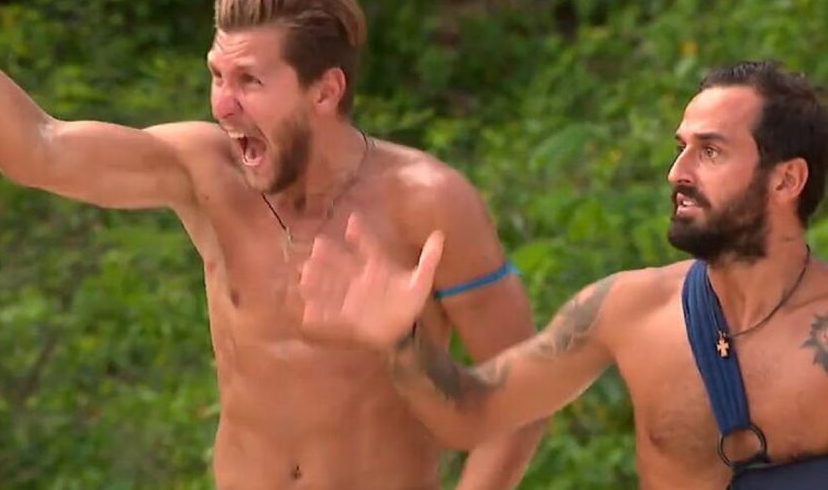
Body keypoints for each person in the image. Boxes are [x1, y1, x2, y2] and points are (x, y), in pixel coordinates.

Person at [0, 0, 547, 489]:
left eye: (249, 80)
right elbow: (38, 149)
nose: (223, 105)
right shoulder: (206, 173)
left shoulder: (427, 202)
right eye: (216, 76)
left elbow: (523, 392)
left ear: (325, 91)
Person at [298, 61, 828, 489]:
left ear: (787, 180)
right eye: (680, 148)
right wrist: (401, 341)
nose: (677, 173)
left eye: (709, 151)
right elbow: (474, 415)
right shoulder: (628, 308)